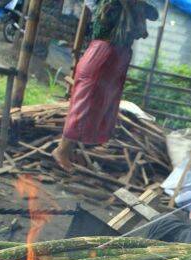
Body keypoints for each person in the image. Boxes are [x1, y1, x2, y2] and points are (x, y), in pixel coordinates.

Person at [52, 0, 158, 171]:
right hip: (103, 55)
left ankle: (69, 151)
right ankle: (61, 151)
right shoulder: (110, 5)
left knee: (97, 108)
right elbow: (108, 21)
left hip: (115, 58)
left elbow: (154, 15)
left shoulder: (134, 6)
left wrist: (139, 7)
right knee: (84, 106)